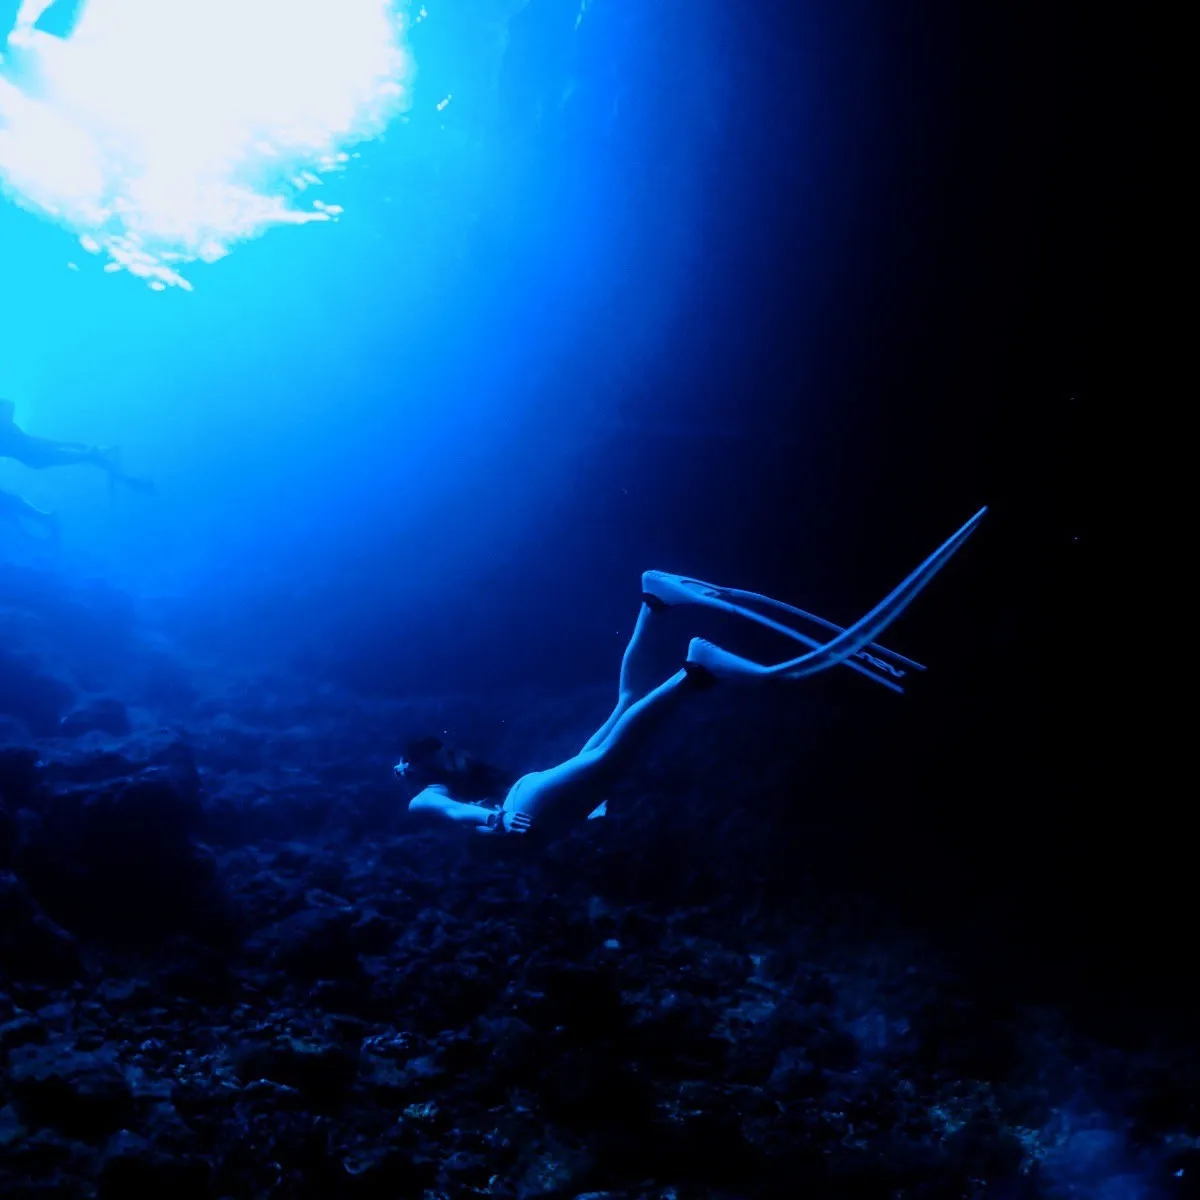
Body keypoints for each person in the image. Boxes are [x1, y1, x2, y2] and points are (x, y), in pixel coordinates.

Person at [394, 506, 987, 842]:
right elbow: (462, 806)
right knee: (624, 703)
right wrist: (493, 812)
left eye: (439, 757)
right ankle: (656, 600)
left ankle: (695, 672)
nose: (448, 761)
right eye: (439, 758)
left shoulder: (424, 798)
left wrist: (490, 818)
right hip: (533, 796)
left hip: (532, 808)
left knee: (607, 759)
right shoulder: (436, 785)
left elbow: (455, 815)